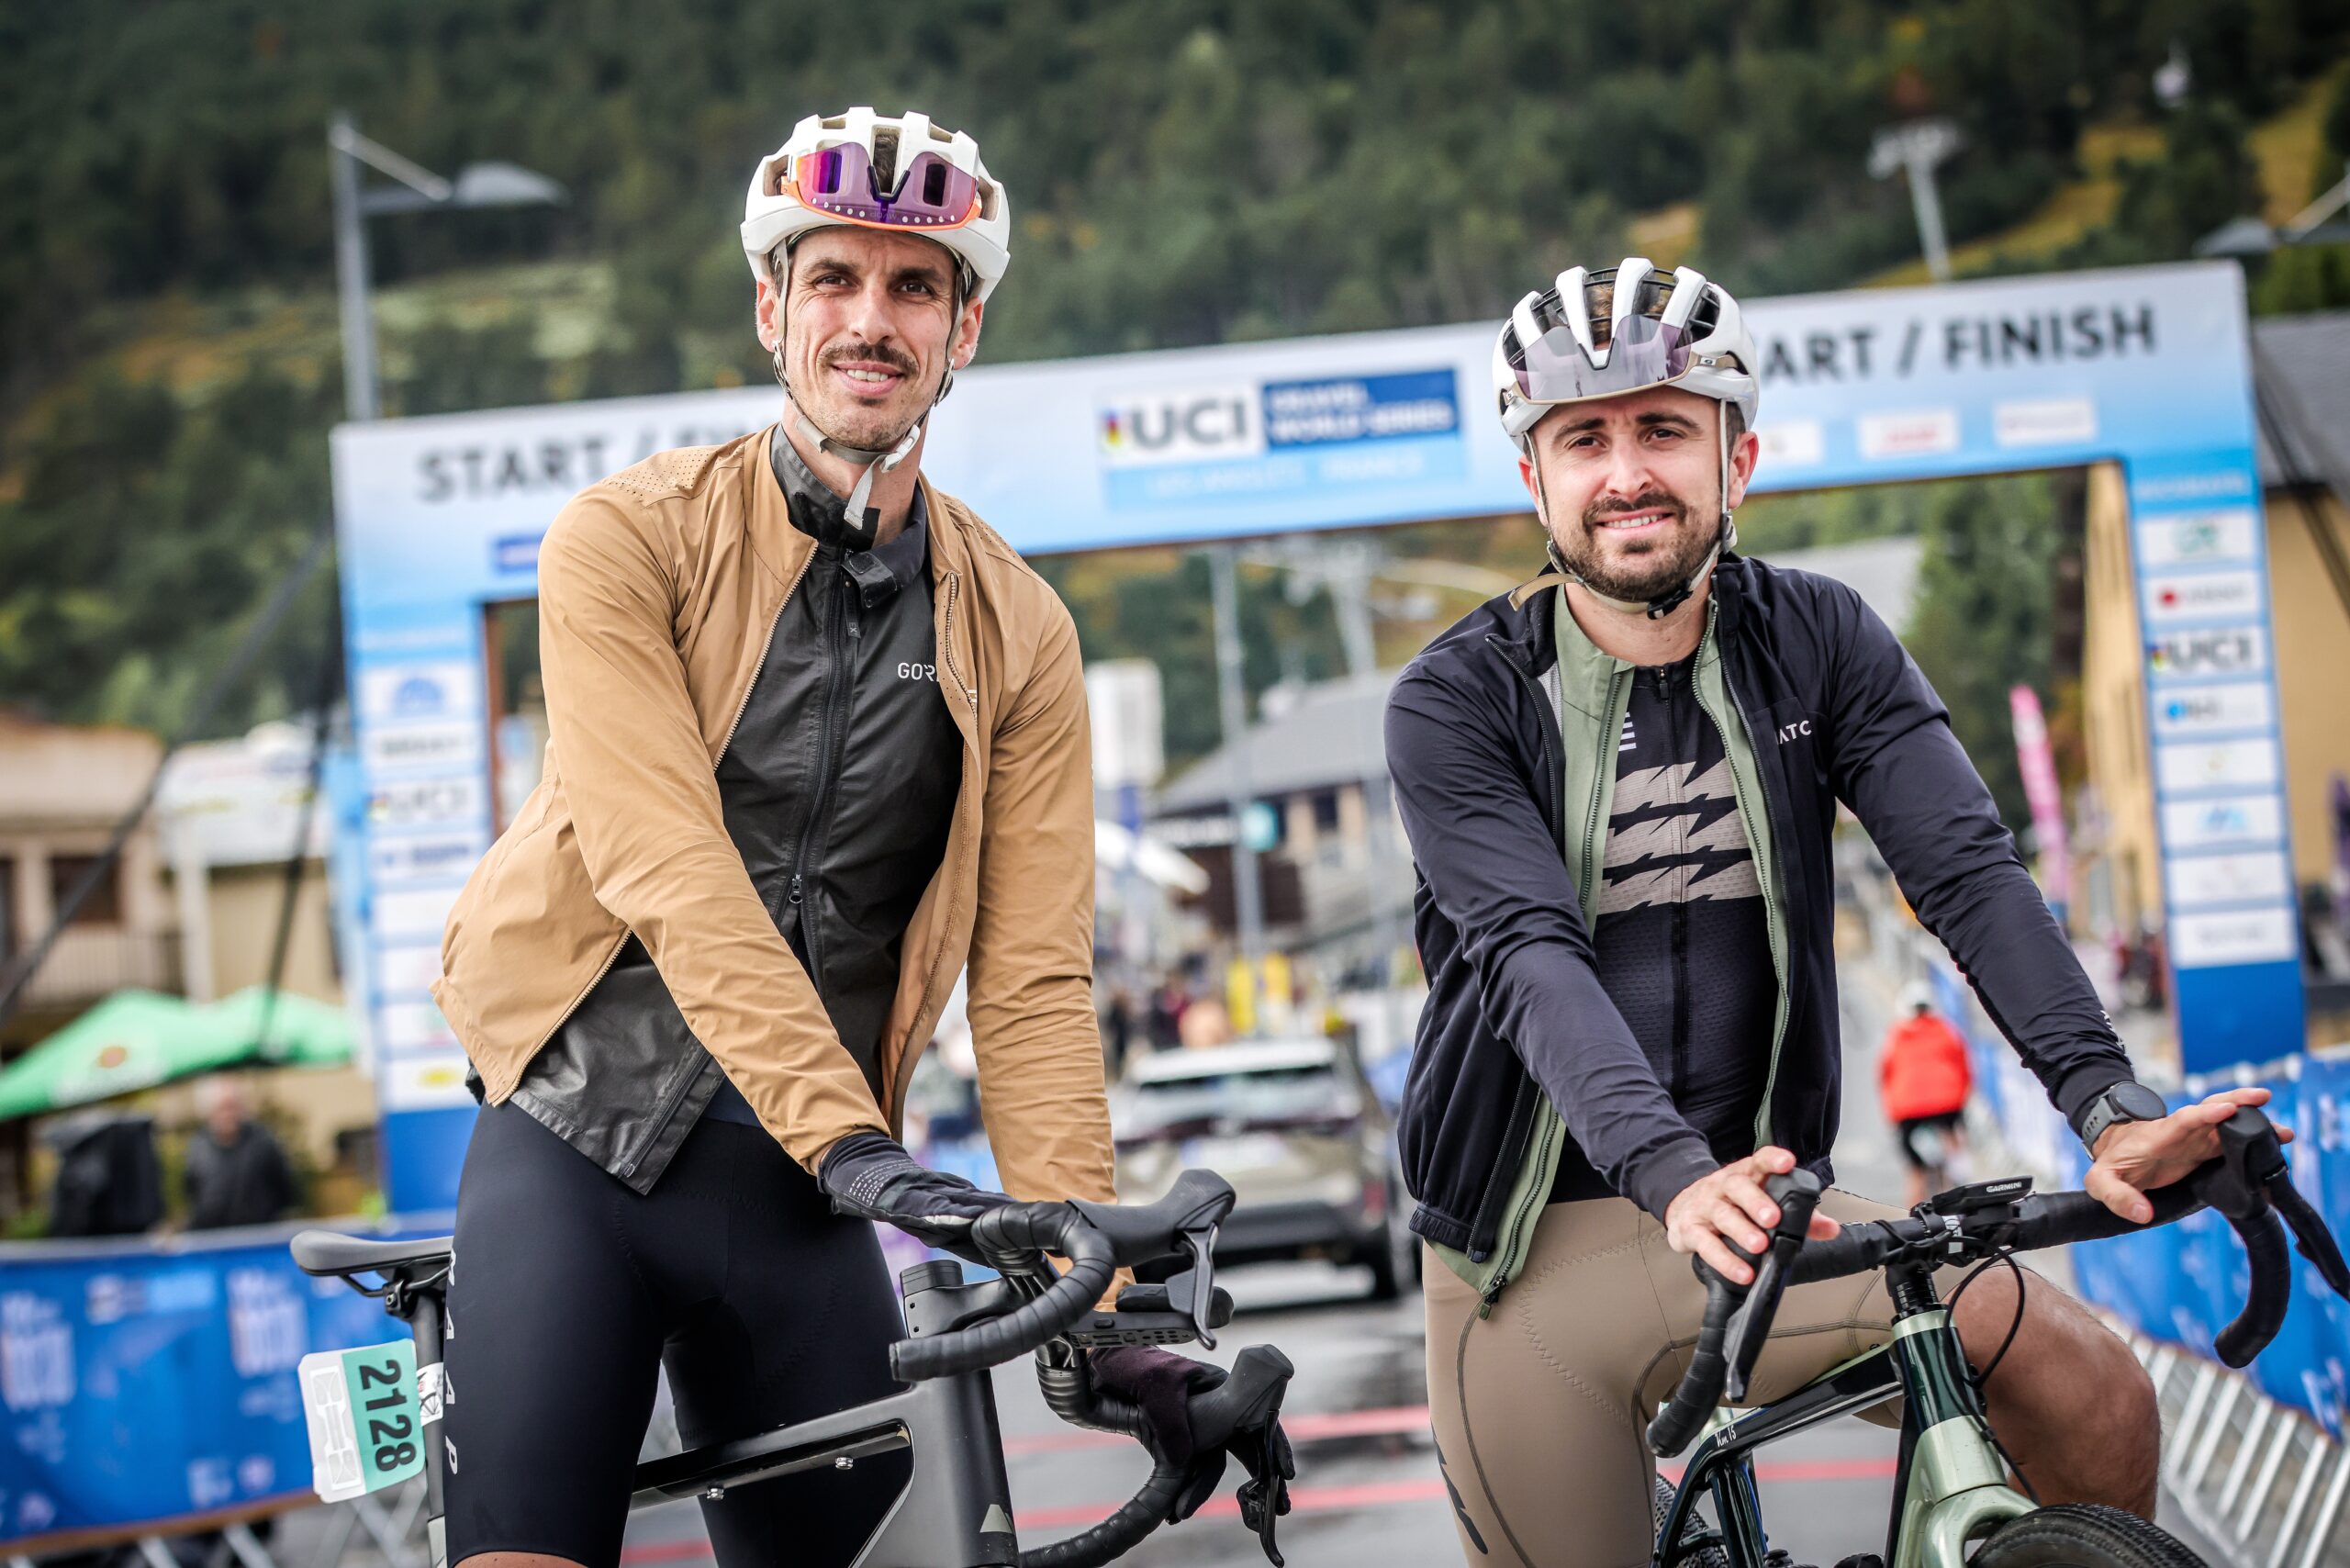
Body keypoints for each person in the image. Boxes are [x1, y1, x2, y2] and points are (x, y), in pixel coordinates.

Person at [429, 108, 1262, 1568]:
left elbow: (1031, 986)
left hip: (806, 1199)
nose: (871, 320)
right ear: (773, 309)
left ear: (963, 330)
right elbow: (666, 865)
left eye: (914, 287)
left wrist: (1115, 1323)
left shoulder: (1018, 630)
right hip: (578, 1146)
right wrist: (865, 1154)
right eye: (834, 280)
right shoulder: (627, 540)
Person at [1384, 257, 2287, 1567]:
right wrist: (1673, 1176)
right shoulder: (1458, 697)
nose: (1626, 472)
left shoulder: (1819, 639)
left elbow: (1966, 874)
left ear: (1737, 460)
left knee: (2096, 1394)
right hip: (1528, 1258)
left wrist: (2108, 1103)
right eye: (1584, 439)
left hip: (1771, 1218)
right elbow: (1529, 953)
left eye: (1662, 429)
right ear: (1535, 477)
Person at [1878, 983, 1974, 1206]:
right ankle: (1962, 1199)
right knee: (1953, 1147)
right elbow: (1965, 1068)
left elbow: (1885, 1075)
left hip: (1908, 1109)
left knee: (1915, 1171)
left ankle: (1912, 1217)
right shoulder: (1946, 1030)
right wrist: (1960, 1100)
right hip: (1946, 1103)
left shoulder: (1897, 1034)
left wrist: (1893, 1114)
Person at [182, 1077, 298, 1229]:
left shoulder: (263, 1142)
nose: (228, 1114)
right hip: (213, 1236)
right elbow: (192, 1192)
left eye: (233, 1106)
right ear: (210, 1111)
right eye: (222, 1108)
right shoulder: (198, 1147)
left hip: (260, 1233)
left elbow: (284, 1188)